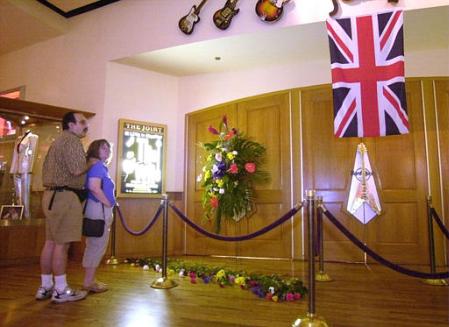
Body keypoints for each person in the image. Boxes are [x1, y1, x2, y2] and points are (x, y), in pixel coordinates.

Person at [35, 112, 90, 303]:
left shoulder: (58, 141)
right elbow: (76, 169)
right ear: (71, 125)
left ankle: (45, 286)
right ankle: (60, 289)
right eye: (82, 122)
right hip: (65, 197)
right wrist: (91, 161)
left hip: (50, 195)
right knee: (62, 244)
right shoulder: (72, 141)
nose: (85, 126)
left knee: (50, 242)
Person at [82, 139, 115, 293]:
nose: (107, 150)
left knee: (94, 245)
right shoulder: (98, 167)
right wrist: (108, 202)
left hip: (96, 208)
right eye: (103, 148)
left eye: (108, 148)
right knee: (97, 245)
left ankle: (89, 280)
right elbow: (94, 187)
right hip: (99, 210)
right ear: (95, 149)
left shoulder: (97, 166)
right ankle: (89, 282)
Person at [10, 130, 39, 218]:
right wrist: (13, 169)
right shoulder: (18, 138)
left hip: (26, 168)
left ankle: (27, 215)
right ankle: (20, 215)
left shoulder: (34, 137)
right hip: (17, 168)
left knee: (25, 194)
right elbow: (15, 154)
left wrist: (30, 168)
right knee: (18, 194)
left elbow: (33, 153)